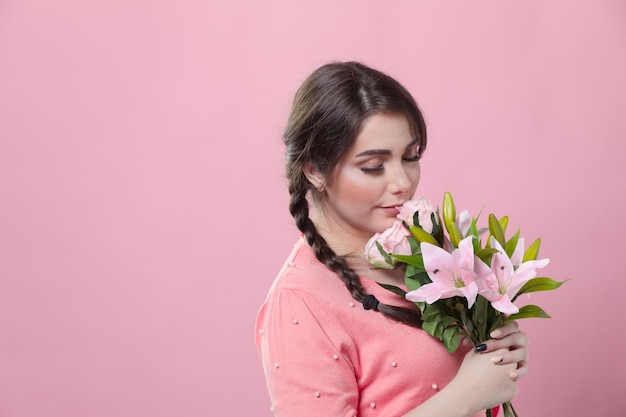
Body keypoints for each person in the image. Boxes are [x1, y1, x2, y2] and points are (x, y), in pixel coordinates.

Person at [255, 61, 528, 417]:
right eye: (374, 166)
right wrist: (466, 395)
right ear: (315, 170)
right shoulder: (300, 302)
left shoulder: (426, 251)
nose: (402, 182)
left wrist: (498, 352)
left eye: (411, 157)